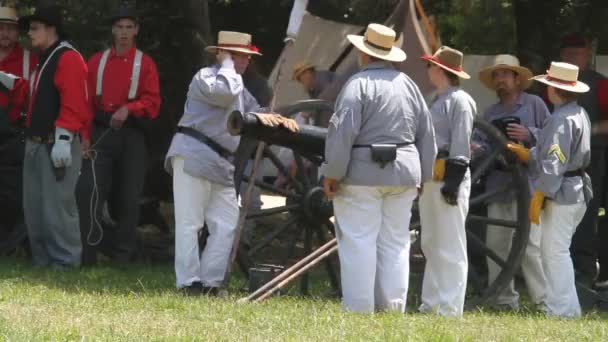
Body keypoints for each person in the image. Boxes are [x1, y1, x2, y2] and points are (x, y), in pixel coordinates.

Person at [165, 31, 297, 294]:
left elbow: (254, 111)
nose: (246, 61)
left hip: (221, 162)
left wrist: (277, 118)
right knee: (191, 223)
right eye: (240, 56)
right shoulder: (207, 78)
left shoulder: (238, 85)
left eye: (248, 56)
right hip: (193, 152)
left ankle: (211, 283)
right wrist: (226, 64)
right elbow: (225, 93)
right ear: (223, 55)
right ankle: (188, 283)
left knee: (226, 224)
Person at [322, 23, 436, 313]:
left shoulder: (357, 86)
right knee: (396, 242)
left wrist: (332, 173)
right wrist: (423, 175)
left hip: (361, 175)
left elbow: (342, 134)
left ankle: (360, 311)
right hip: (405, 174)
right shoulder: (409, 86)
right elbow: (427, 135)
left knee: (358, 241)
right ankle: (392, 310)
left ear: (363, 53)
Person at [76, 6, 161, 265]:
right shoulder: (96, 61)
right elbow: (84, 103)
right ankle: (87, 256)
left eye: (129, 27)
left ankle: (123, 257)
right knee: (89, 192)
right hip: (101, 131)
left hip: (132, 135)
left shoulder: (145, 63)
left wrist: (130, 108)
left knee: (129, 197)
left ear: (136, 30)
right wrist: (84, 136)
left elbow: (153, 103)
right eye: (119, 27)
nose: (124, 33)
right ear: (112, 30)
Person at [508, 61, 592, 318]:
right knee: (555, 251)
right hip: (573, 189)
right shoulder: (578, 113)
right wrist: (530, 154)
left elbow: (555, 163)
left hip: (562, 192)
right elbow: (553, 155)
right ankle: (562, 307)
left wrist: (542, 192)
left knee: (555, 253)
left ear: (554, 90)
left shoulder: (560, 119)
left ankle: (564, 311)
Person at [13, 4, 89, 267]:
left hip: (55, 144)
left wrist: (64, 140)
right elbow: (34, 96)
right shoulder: (45, 58)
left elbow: (74, 101)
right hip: (37, 144)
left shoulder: (67, 57)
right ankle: (43, 262)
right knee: (35, 208)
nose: (29, 35)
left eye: (34, 29)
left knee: (57, 209)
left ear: (51, 29)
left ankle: (65, 263)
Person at [476, 54, 550, 310]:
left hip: (528, 186)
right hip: (498, 186)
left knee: (531, 247)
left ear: (517, 79)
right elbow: (483, 144)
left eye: (505, 75)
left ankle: (544, 302)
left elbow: (553, 139)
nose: (500, 80)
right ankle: (503, 301)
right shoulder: (491, 112)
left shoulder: (535, 104)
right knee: (496, 246)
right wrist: (477, 148)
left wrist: (530, 133)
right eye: (496, 76)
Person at [418, 46, 476, 317]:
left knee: (451, 245)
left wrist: (454, 179)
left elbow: (461, 143)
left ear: (441, 69)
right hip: (430, 175)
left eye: (431, 65)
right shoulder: (435, 99)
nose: (428, 69)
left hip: (449, 175)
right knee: (430, 242)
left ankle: (450, 308)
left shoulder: (460, 101)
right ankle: (431, 304)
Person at [559, 33, 608, 287]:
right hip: (560, 158)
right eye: (567, 53)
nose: (571, 57)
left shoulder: (600, 85)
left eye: (576, 53)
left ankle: (586, 269)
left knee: (588, 214)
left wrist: (590, 129)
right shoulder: (554, 84)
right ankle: (568, 269)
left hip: (595, 158)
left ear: (587, 54)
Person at [0, 6, 38, 234]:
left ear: (18, 33)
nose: (5, 33)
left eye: (10, 29)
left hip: (15, 133)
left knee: (13, 190)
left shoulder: (30, 60)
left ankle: (11, 242)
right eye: (1, 28)